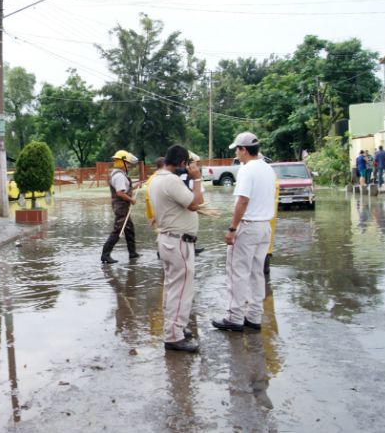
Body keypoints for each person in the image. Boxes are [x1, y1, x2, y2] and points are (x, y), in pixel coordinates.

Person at [212, 132, 276, 334]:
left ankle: (235, 317)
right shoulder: (268, 169)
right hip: (265, 226)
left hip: (248, 227)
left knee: (237, 272)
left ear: (244, 150)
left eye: (237, 150)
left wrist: (232, 229)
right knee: (257, 272)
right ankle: (254, 316)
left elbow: (242, 201)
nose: (236, 154)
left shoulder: (247, 170)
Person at [149, 144, 204, 352]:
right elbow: (196, 203)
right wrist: (197, 178)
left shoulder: (158, 177)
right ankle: (173, 336)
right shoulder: (171, 180)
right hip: (178, 242)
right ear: (182, 163)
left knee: (173, 289)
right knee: (181, 291)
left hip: (169, 240)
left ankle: (176, 327)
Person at [101, 150, 140, 264]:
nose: (129, 165)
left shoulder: (119, 174)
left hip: (121, 205)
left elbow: (124, 190)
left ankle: (132, 253)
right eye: (127, 163)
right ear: (122, 163)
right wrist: (131, 200)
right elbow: (120, 193)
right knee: (118, 230)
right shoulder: (119, 176)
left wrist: (135, 186)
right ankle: (105, 254)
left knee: (129, 229)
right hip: (121, 206)